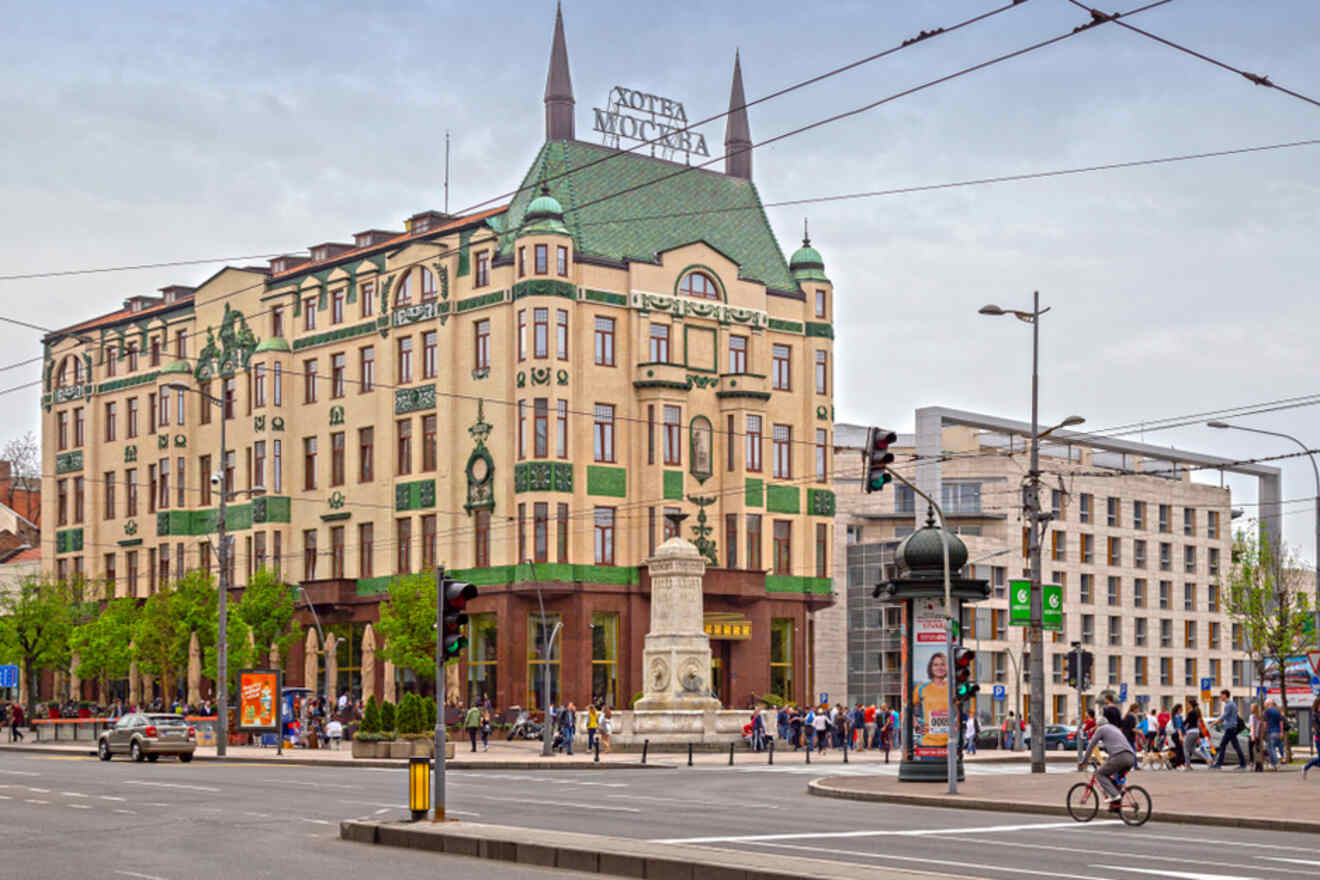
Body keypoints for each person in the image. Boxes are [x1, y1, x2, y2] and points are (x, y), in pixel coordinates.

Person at [1078, 706, 1137, 809]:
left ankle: (1115, 796)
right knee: (1113, 779)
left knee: (1100, 774)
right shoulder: (1115, 729)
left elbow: (1091, 746)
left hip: (1120, 757)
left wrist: (1084, 761)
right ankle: (1115, 807)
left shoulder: (1101, 729)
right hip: (1131, 757)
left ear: (1099, 724)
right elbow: (1115, 748)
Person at [1210, 691, 1247, 770]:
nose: (1220, 697)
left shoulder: (1229, 705)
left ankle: (1219, 764)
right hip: (1231, 728)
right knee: (1228, 746)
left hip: (1230, 728)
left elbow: (1224, 716)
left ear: (1225, 695)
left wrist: (1214, 723)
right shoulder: (1232, 704)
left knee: (1228, 746)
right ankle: (1219, 764)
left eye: (1221, 696)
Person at [1263, 699, 1284, 770]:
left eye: (1265, 704)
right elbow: (1281, 722)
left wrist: (1264, 731)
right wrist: (1281, 732)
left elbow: (1265, 723)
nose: (1265, 705)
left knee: (1272, 749)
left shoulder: (1267, 711)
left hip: (1270, 732)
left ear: (1268, 704)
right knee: (1271, 748)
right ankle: (1273, 764)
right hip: (1278, 732)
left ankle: (1276, 763)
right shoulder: (1278, 711)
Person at [1302, 696, 1320, 780]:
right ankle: (1306, 767)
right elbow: (1316, 727)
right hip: (1319, 739)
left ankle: (1307, 766)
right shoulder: (1315, 714)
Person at [1182, 698, 1203, 770]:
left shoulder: (1191, 712)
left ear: (1190, 705)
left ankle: (1188, 766)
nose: (1187, 705)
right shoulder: (1197, 712)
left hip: (1191, 732)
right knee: (1192, 750)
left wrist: (1180, 725)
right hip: (1196, 732)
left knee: (1186, 749)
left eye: (1188, 704)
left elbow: (1186, 722)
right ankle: (1207, 759)